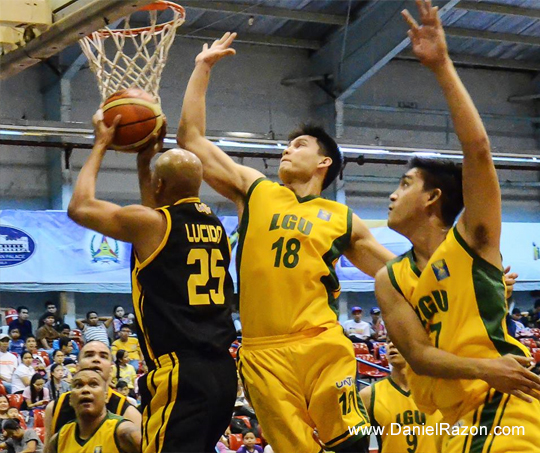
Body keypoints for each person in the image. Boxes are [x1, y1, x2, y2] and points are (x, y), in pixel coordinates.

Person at [177, 32, 395, 453]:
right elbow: (192, 141)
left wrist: (469, 283)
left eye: (299, 145)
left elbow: (398, 272)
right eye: (288, 144)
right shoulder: (256, 190)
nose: (286, 150)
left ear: (323, 162)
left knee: (351, 442)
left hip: (320, 342)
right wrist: (201, 69)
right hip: (261, 351)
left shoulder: (342, 218)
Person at [375, 3, 540, 453]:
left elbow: (478, 150)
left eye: (405, 184)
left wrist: (442, 65)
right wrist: (485, 367)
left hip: (503, 404)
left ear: (433, 198)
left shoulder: (472, 238)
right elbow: (418, 356)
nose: (392, 195)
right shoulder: (389, 279)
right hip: (450, 421)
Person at [67, 109, 237, 453]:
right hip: (222, 372)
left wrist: (100, 144)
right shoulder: (216, 228)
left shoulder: (152, 225)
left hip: (180, 371)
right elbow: (156, 213)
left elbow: (80, 207)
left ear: (160, 186)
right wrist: (145, 164)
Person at [44, 341, 141, 446]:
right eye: (89, 355)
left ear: (111, 370)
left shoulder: (129, 413)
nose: (96, 359)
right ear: (77, 367)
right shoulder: (54, 408)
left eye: (103, 356)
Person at [359, 340, 443, 453]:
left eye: (398, 339)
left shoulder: (439, 389)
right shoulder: (369, 395)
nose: (391, 344)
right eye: (388, 341)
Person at [45, 369, 140, 453]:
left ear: (106, 397)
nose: (85, 390)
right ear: (70, 400)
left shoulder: (123, 432)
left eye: (93, 384)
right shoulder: (59, 439)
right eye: (78, 385)